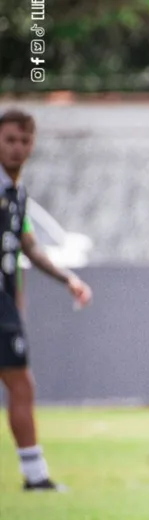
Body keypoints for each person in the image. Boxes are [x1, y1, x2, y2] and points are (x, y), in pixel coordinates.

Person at [0, 108, 93, 491]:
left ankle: (35, 475)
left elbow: (28, 248)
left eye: (24, 141)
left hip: (4, 305)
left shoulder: (17, 194)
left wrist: (67, 278)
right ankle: (35, 476)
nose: (17, 148)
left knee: (21, 384)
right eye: (9, 140)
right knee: (21, 383)